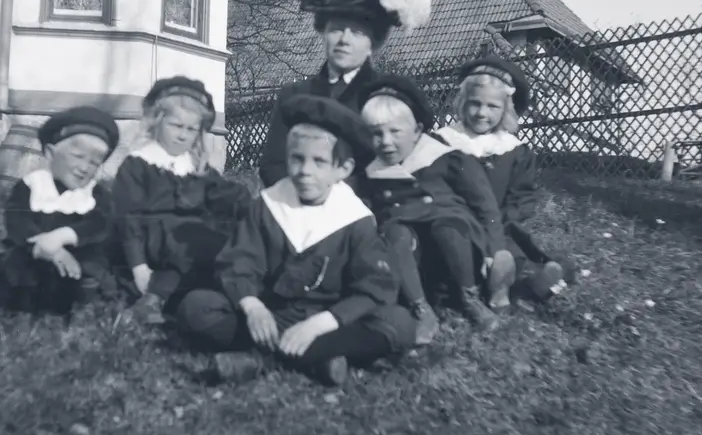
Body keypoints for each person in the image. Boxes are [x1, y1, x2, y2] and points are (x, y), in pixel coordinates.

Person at [175, 94, 417, 388]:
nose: (305, 171)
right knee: (197, 306)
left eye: (319, 162)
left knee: (399, 322)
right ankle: (321, 357)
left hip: (331, 318)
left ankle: (263, 360)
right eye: (297, 159)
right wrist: (253, 306)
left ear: (342, 169)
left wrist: (319, 325)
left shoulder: (355, 219)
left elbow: (373, 287)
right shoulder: (269, 205)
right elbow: (240, 261)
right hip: (272, 313)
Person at [256, 0, 433, 191]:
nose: (344, 40)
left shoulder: (386, 98)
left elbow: (401, 162)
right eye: (336, 29)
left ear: (373, 42)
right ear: (323, 33)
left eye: (357, 33)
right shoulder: (293, 96)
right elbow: (272, 165)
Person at [359, 75, 512, 338]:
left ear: (417, 130)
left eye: (395, 132)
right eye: (376, 134)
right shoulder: (372, 172)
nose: (385, 142)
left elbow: (485, 204)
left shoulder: (444, 158)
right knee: (395, 234)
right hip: (414, 257)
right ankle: (420, 307)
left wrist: (494, 248)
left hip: (457, 245)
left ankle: (469, 295)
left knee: (449, 227)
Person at [437, 55, 578, 307]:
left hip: (500, 224)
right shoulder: (444, 142)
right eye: (474, 103)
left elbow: (522, 197)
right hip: (457, 223)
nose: (481, 113)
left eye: (492, 107)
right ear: (462, 102)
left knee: (514, 253)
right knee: (458, 255)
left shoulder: (513, 150)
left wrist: (501, 221)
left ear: (506, 110)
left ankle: (522, 286)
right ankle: (505, 290)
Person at [112, 76, 252, 325]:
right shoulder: (139, 164)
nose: (182, 136)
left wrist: (211, 179)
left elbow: (228, 197)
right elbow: (128, 218)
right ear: (157, 121)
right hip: (153, 242)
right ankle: (153, 299)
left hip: (190, 245)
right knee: (193, 238)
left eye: (191, 129)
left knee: (219, 238)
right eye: (176, 126)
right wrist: (138, 266)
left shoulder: (195, 168)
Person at [0, 106, 121, 316]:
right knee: (16, 268)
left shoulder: (94, 193)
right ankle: (20, 309)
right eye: (78, 156)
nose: (84, 167)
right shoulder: (32, 185)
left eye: (94, 163)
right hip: (33, 250)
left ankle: (80, 308)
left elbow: (100, 223)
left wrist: (64, 236)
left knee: (90, 272)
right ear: (50, 154)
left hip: (79, 252)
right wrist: (48, 247)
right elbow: (17, 219)